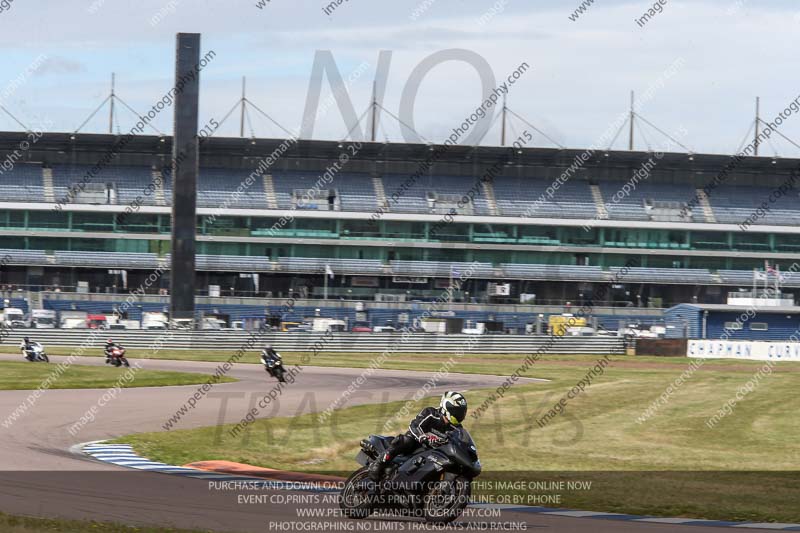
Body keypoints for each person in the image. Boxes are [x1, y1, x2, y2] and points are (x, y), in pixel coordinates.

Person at [369, 391, 468, 482]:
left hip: (433, 453)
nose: (459, 415)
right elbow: (414, 425)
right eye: (456, 411)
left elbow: (458, 443)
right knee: (406, 440)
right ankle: (379, 463)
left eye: (461, 412)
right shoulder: (430, 413)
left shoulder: (457, 429)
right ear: (447, 408)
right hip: (416, 443)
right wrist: (422, 437)